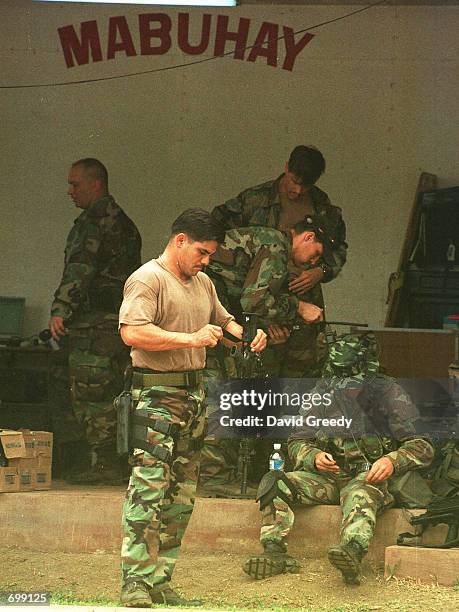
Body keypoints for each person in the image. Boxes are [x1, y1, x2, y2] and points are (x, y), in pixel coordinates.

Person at [118, 208, 266, 607]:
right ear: (179, 240)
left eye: (210, 256)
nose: (205, 261)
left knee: (180, 496)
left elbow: (226, 323)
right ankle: (135, 581)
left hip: (194, 398)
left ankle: (161, 579)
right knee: (147, 489)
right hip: (156, 396)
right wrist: (191, 340)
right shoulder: (148, 278)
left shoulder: (203, 283)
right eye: (201, 252)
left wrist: (249, 335)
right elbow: (132, 332)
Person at [243, 333, 434, 585]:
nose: (348, 390)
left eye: (353, 384)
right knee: (274, 482)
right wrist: (313, 457)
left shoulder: (389, 393)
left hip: (368, 478)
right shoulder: (323, 391)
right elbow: (297, 439)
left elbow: (423, 446)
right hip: (326, 479)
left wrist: (392, 461)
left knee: (359, 495)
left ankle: (352, 553)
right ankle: (274, 551)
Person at [200, 218, 332, 494]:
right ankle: (214, 478)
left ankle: (216, 476)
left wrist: (267, 324)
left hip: (212, 311)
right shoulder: (276, 246)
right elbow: (254, 301)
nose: (311, 263)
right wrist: (299, 307)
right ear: (307, 237)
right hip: (207, 313)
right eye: (316, 254)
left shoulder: (269, 243)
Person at [211, 144, 347, 377]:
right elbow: (215, 233)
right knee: (258, 357)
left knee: (303, 361)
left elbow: (335, 249)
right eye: (293, 181)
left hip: (294, 294)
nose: (297, 190)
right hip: (259, 295)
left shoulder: (322, 206)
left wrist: (321, 270)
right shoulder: (255, 199)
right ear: (286, 168)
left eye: (305, 186)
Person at [49, 158, 141, 484]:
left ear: (96, 184)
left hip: (94, 324)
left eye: (75, 184)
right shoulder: (124, 223)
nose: (70, 191)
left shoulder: (95, 222)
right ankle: (111, 460)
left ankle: (104, 465)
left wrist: (61, 308)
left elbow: (80, 268)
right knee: (111, 389)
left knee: (92, 392)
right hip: (117, 322)